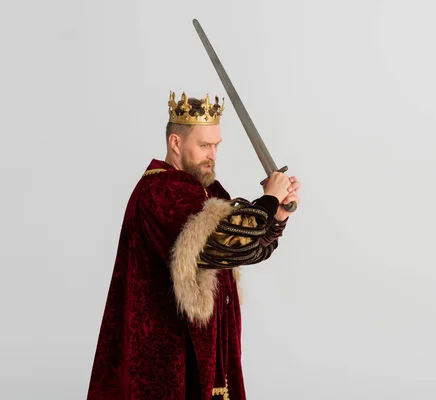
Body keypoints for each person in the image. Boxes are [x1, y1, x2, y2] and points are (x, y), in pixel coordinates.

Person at [87, 91, 300, 399]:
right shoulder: (160, 191)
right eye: (203, 145)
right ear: (176, 143)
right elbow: (213, 246)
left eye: (216, 145)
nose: (212, 154)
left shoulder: (205, 190)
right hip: (168, 348)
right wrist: (267, 200)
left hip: (210, 346)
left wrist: (277, 217)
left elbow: (240, 249)